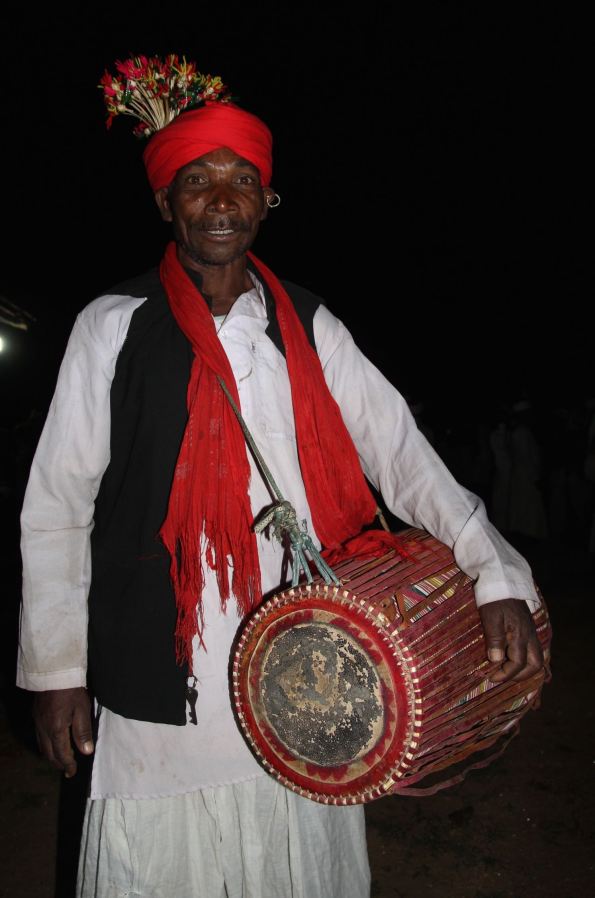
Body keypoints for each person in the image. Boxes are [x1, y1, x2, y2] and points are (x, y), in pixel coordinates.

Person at [17, 61, 544, 898]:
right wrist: (56, 672)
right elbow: (56, 506)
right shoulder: (112, 325)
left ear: (266, 201)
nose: (220, 201)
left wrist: (494, 572)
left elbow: (400, 453)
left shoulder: (308, 320)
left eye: (241, 182)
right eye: (197, 182)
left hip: (305, 652)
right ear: (165, 202)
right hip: (160, 653)